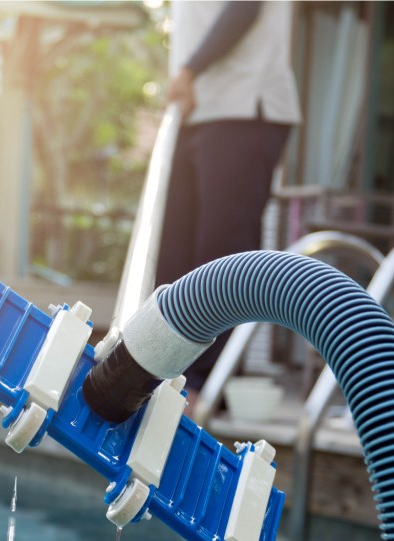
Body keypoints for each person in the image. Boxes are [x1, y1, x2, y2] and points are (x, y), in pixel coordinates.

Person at [155, 0, 302, 399]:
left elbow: (245, 7)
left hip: (244, 106)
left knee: (220, 256)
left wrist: (187, 71)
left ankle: (207, 384)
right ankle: (165, 374)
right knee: (173, 255)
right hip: (195, 111)